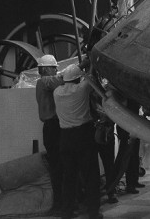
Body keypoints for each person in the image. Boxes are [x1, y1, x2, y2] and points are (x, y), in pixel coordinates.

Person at [53, 64, 102, 219]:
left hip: (65, 138)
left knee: (69, 177)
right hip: (83, 136)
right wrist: (91, 62)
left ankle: (67, 212)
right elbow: (92, 77)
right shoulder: (82, 89)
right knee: (90, 175)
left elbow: (61, 80)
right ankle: (93, 211)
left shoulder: (57, 92)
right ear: (78, 78)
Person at [34, 55, 64, 214]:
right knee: (58, 167)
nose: (56, 69)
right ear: (45, 69)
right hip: (53, 128)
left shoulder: (44, 83)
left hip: (52, 127)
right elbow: (60, 81)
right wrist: (80, 69)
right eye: (53, 67)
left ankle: (62, 202)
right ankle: (59, 204)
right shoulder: (44, 81)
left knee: (59, 166)